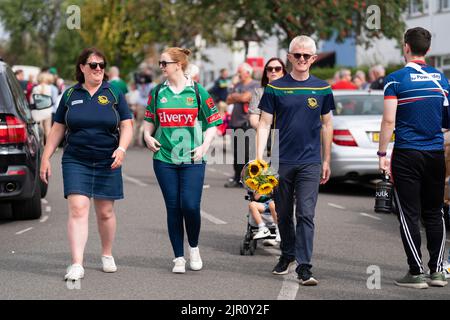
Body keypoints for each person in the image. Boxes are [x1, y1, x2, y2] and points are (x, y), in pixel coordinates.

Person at [39, 47, 133, 281]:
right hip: (76, 159)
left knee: (105, 212)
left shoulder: (113, 93)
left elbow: (127, 124)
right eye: (93, 65)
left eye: (101, 65)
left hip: (107, 159)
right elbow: (58, 127)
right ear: (82, 67)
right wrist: (45, 157)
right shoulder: (71, 94)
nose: (98, 69)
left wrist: (121, 149)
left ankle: (107, 254)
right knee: (79, 208)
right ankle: (77, 263)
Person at [256, 35, 334, 286]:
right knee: (284, 213)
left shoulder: (322, 88)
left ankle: (304, 266)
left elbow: (327, 124)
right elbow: (265, 123)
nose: (301, 59)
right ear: (289, 56)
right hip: (281, 161)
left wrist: (326, 160)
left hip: (311, 161)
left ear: (313, 58)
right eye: (296, 55)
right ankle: (287, 254)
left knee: (306, 214)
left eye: (306, 55)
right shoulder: (275, 87)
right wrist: (259, 158)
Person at [378, 27, 449, 289]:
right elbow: (447, 120)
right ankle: (438, 271)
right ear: (427, 50)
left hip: (407, 153)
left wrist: (382, 154)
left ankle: (416, 272)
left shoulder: (395, 79)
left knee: (409, 214)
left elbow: (388, 120)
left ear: (406, 46)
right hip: (434, 154)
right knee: (434, 212)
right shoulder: (441, 79)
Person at [143, 47, 223, 274]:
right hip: (164, 158)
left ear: (179, 65)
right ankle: (178, 257)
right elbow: (149, 120)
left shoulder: (197, 91)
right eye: (160, 63)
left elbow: (213, 124)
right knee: (173, 207)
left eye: (164, 63)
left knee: (189, 205)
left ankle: (194, 248)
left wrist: (204, 146)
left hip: (193, 158)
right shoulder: (158, 92)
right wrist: (147, 136)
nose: (161, 67)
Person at [224, 63, 259, 188]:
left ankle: (247, 178)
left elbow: (246, 97)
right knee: (236, 152)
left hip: (246, 122)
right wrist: (235, 96)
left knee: (245, 153)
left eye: (240, 72)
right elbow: (228, 99)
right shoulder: (237, 85)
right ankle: (237, 176)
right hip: (234, 122)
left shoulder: (255, 84)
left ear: (248, 73)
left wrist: (235, 96)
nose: (238, 74)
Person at [249, 57, 287, 130]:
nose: (273, 71)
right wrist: (264, 131)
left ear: (283, 73)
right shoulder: (259, 92)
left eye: (277, 69)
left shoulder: (290, 92)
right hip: (266, 135)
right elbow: (254, 120)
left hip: (286, 136)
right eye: (270, 69)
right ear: (266, 73)